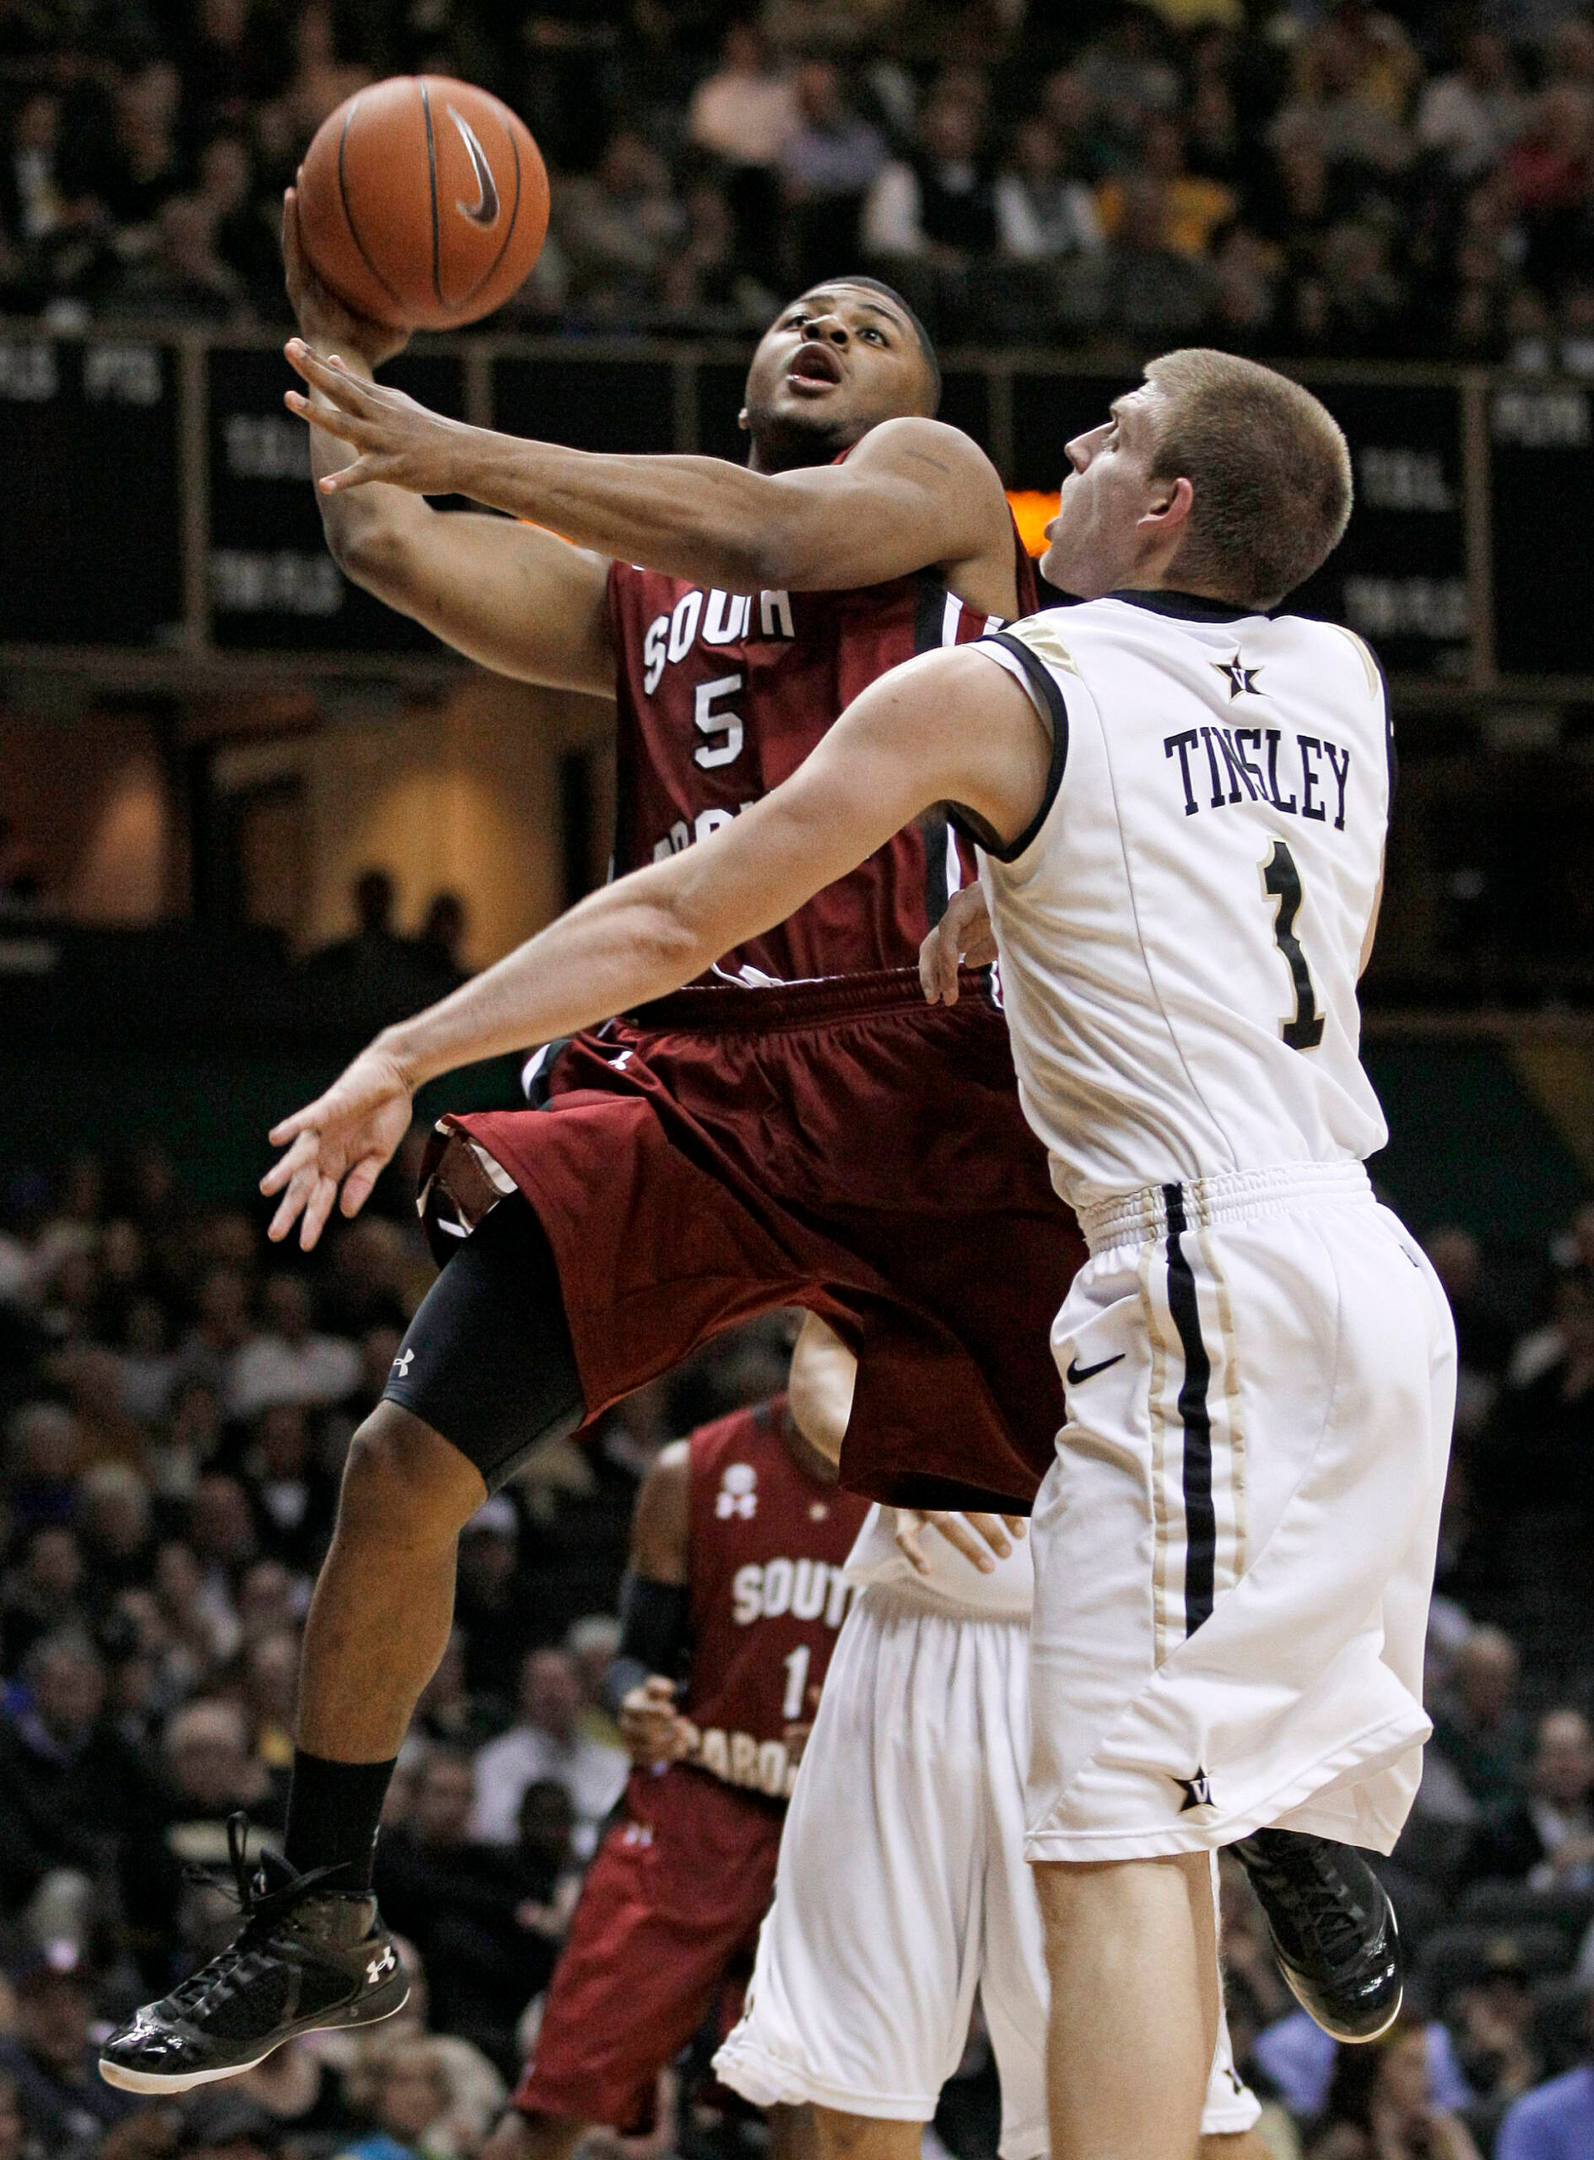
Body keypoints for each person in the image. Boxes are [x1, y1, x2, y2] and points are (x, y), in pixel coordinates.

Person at [243, 344, 1456, 2160]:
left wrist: (408, 1048)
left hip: (1181, 1262)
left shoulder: (996, 674)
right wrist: (1006, 886)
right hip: (1365, 1265)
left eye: (1108, 436)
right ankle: (1304, 1835)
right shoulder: (1334, 678)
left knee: (1109, 1850)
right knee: (1187, 1792)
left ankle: (1274, 1857)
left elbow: (672, 896)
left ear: (1166, 507)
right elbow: (1232, 889)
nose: (1070, 449)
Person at [101, 179, 1081, 2091]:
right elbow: (390, 544)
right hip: (696, 1078)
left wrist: (454, 434)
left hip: (932, 1077)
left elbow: (763, 521)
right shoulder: (636, 598)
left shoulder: (935, 499)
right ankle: (317, 1909)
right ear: (734, 371)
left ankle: (1292, 1810)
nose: (821, 333)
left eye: (862, 322)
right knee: (403, 1459)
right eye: (795, 313)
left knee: (1113, 1496)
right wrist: (348, 338)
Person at [711, 1322, 1265, 2160]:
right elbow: (824, 1364)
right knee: (847, 2100)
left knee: (1176, 2121)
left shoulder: (1168, 1208)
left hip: (1106, 1656)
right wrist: (897, 1462)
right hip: (910, 1645)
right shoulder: (910, 1186)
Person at [487, 1342, 867, 2160]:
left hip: (839, 1825)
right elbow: (633, 1662)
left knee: (820, 2115)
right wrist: (636, 1703)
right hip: (699, 1806)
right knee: (557, 2101)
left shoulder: (924, 1487)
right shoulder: (692, 1468)